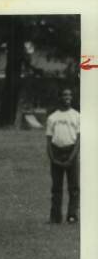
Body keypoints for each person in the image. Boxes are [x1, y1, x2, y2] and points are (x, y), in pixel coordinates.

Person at [46, 87, 80, 224]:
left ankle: (72, 216)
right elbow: (48, 140)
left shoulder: (77, 116)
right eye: (64, 95)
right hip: (56, 152)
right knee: (56, 187)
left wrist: (72, 157)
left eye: (70, 95)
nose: (67, 97)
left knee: (74, 187)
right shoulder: (52, 117)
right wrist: (52, 158)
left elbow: (78, 139)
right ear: (59, 97)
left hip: (71, 151)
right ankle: (55, 217)